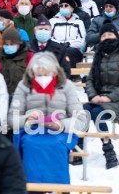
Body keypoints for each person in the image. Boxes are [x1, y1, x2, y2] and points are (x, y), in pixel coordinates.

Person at [10, 52, 88, 183]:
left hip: (60, 132)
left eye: (46, 75)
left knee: (56, 144)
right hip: (31, 131)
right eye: (38, 75)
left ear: (54, 72)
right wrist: (28, 119)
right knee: (30, 144)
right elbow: (12, 118)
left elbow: (80, 119)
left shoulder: (67, 86)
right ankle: (31, 185)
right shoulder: (23, 86)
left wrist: (61, 125)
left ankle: (58, 185)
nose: (42, 78)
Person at [83, 23, 119, 169]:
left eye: (110, 34)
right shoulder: (99, 55)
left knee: (97, 113)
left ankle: (108, 150)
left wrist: (109, 98)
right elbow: (90, 80)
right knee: (83, 111)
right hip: (100, 98)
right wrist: (93, 96)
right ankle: (79, 148)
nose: (107, 37)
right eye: (104, 35)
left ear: (117, 36)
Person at [0, 27, 31, 96]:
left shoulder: (29, 56)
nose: (9, 46)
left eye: (12, 44)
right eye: (6, 44)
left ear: (19, 43)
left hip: (23, 96)